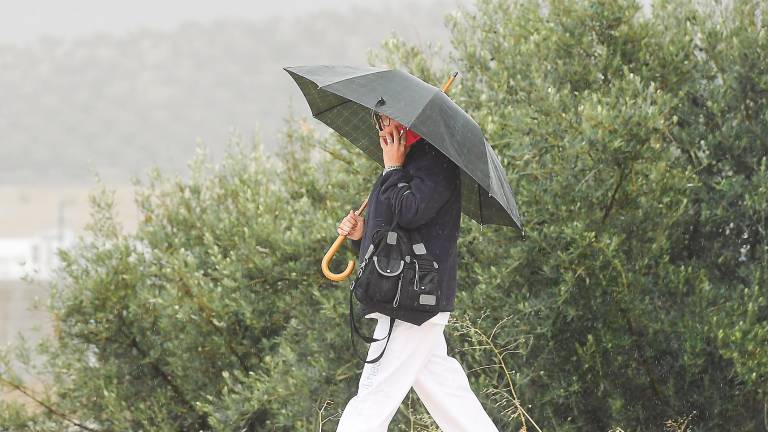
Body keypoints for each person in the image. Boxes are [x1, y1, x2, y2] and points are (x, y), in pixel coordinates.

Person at [333, 112, 500, 431]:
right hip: (407, 296)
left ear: (407, 121)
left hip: (412, 300)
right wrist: (361, 234)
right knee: (449, 395)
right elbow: (392, 236)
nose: (384, 128)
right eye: (379, 121)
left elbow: (411, 212)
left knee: (374, 394)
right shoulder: (404, 162)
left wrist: (393, 168)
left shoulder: (435, 160)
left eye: (389, 120)